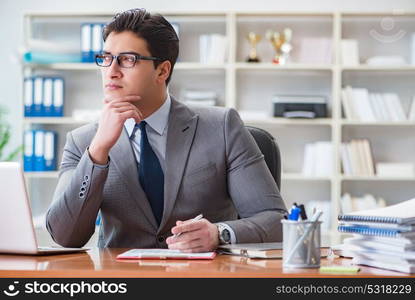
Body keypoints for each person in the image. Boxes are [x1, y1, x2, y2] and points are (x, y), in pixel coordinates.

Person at [46, 8, 287, 252]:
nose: (112, 71)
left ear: (162, 71)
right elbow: (65, 235)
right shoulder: (83, 141)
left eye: (128, 59)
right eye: (106, 58)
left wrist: (219, 233)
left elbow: (276, 220)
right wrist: (98, 151)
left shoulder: (221, 126)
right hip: (121, 282)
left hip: (204, 279)